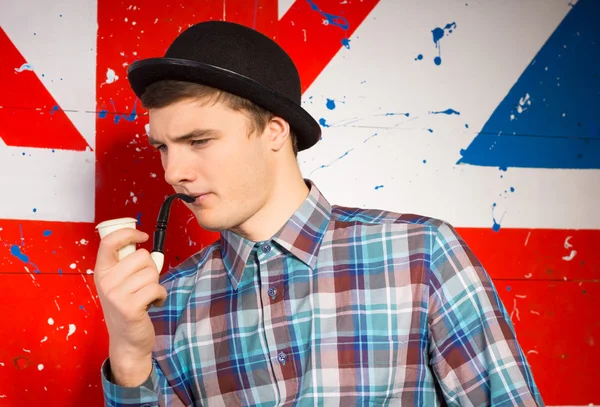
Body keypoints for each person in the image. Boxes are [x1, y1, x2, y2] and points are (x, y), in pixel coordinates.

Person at [94, 20, 544, 406]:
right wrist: (130, 359)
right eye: (162, 148)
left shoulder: (420, 254)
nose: (174, 173)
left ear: (274, 131)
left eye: (199, 141)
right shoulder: (167, 303)